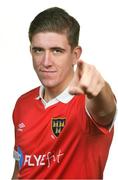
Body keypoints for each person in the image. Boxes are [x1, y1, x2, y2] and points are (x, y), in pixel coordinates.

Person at [12, 7, 116, 179]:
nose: (46, 62)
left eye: (56, 51)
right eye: (38, 50)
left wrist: (101, 88)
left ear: (75, 55)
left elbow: (105, 110)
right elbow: (20, 168)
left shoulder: (87, 102)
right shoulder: (23, 104)